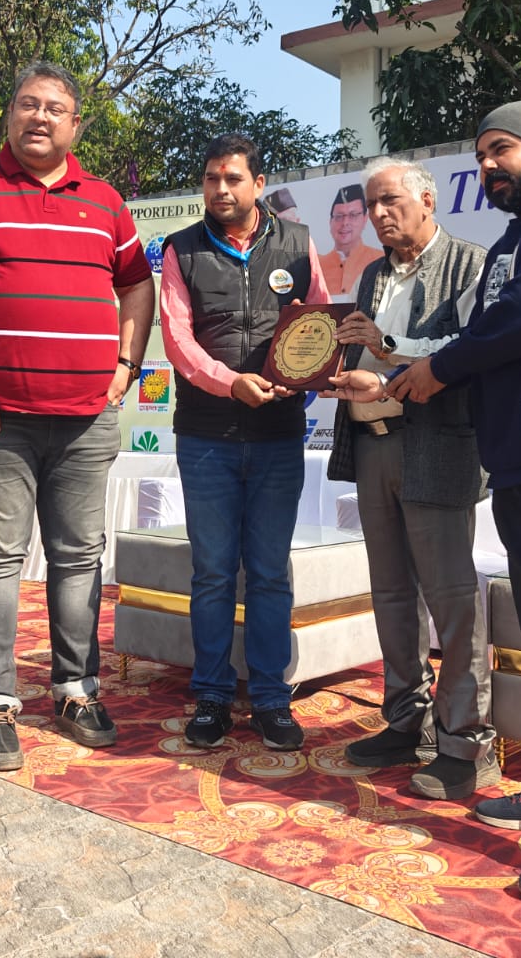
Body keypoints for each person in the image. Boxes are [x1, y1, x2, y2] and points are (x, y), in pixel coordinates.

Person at [330, 101, 521, 907]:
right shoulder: (511, 242)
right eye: (479, 155)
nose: (488, 167)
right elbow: (489, 335)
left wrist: (431, 370)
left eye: (501, 149)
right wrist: (404, 371)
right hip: (520, 462)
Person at [0, 61, 154, 772]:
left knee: (79, 558)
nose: (40, 117)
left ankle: (75, 691)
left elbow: (137, 286)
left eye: (55, 108)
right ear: (9, 114)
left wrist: (127, 365)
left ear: (77, 125)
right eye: (27, 104)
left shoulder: (105, 203)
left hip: (87, 419)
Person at [326, 156, 497, 800]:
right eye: (371, 204)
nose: (378, 214)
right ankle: (405, 722)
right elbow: (366, 351)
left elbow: (469, 351)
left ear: (427, 200)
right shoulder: (373, 273)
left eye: (390, 201)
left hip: (438, 447)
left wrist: (387, 352)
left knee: (452, 602)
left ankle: (466, 744)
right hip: (373, 445)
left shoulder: (471, 264)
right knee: (392, 594)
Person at [159, 133, 331, 750]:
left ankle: (270, 699)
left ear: (259, 184)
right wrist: (230, 383)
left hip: (278, 436)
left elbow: (320, 322)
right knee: (211, 573)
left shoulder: (298, 243)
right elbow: (177, 340)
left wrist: (301, 378)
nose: (221, 189)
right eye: (211, 179)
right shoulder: (181, 249)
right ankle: (211, 696)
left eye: (233, 179)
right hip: (207, 436)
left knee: (269, 574)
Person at [318, 183, 382, 298]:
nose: (345, 223)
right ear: (330, 222)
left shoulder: (381, 261)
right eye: (339, 216)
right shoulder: (317, 267)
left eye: (353, 215)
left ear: (365, 219)